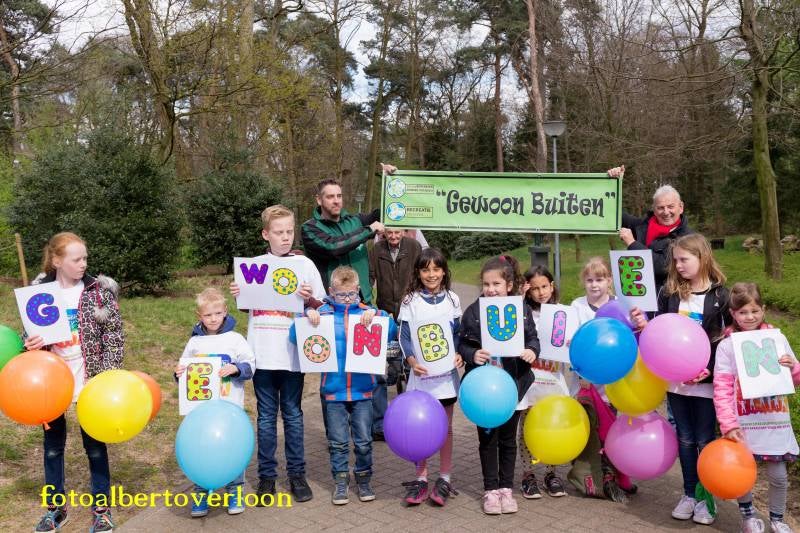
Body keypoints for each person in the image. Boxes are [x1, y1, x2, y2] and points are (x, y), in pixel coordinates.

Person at [25, 232, 123, 533]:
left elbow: (114, 337)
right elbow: (28, 337)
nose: (84, 264)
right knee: (53, 447)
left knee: (95, 446)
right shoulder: (38, 294)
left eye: (85, 258)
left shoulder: (98, 291)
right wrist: (29, 342)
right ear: (57, 261)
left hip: (90, 379)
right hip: (51, 382)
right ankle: (55, 509)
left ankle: (102, 510)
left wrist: (106, 375)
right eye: (76, 259)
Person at [631, 233, 730, 525]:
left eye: (684, 259)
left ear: (702, 258)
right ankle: (689, 494)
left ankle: (705, 497)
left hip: (706, 385)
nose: (679, 265)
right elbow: (660, 332)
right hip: (675, 384)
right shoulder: (669, 293)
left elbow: (724, 341)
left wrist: (709, 368)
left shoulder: (720, 296)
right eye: (676, 260)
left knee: (704, 440)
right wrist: (643, 325)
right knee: (685, 440)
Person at [230, 204, 326, 503]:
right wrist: (240, 294)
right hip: (262, 352)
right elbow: (248, 307)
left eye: (289, 231)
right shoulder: (254, 265)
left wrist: (309, 300)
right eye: (279, 232)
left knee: (294, 415)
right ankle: (267, 478)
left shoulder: (305, 265)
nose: (285, 237)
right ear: (265, 234)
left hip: (293, 353)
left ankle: (297, 475)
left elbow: (321, 307)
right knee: (267, 417)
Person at [292, 266, 397, 505]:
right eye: (341, 295)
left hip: (363, 391)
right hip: (334, 392)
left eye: (351, 294)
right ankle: (340, 482)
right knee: (338, 442)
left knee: (363, 441)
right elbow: (294, 335)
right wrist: (307, 315)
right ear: (331, 291)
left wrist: (378, 315)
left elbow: (391, 331)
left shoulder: (367, 312)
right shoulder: (324, 313)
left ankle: (363, 480)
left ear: (359, 291)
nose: (347, 299)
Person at [712, 282, 799, 533]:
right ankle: (748, 516)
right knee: (743, 473)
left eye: (754, 311)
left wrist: (792, 365)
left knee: (779, 476)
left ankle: (778, 519)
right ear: (733, 313)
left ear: (763, 309)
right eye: (742, 312)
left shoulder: (777, 338)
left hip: (774, 419)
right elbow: (722, 388)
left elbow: (794, 378)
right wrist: (728, 424)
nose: (749, 317)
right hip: (743, 421)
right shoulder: (728, 346)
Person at [459, 255, 539, 515]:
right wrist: (473, 355)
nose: (491, 289)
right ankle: (490, 490)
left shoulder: (521, 309)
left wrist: (531, 352)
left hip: (513, 385)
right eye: (486, 284)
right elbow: (463, 343)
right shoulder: (473, 311)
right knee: (488, 440)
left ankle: (506, 488)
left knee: (508, 441)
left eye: (496, 284)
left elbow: (533, 339)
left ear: (509, 285)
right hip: (484, 392)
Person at [175, 288, 255, 517]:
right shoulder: (195, 343)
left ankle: (235, 492)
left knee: (232, 450)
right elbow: (184, 371)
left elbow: (250, 365)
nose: (213, 319)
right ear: (199, 316)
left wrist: (237, 368)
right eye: (208, 315)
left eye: (217, 313)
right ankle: (201, 494)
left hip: (230, 409)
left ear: (225, 312)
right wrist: (178, 373)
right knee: (202, 449)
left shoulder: (235, 339)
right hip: (200, 411)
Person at [397, 248, 463, 507]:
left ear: (444, 271)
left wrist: (459, 354)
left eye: (436, 269)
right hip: (421, 380)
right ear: (418, 272)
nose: (431, 274)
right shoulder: (409, 301)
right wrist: (411, 360)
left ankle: (444, 478)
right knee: (419, 429)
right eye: (426, 269)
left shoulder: (453, 299)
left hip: (446, 380)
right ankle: (421, 478)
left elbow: (459, 333)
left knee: (445, 430)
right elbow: (403, 336)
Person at [566, 257, 632, 503]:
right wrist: (582, 375)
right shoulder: (576, 307)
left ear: (610, 281)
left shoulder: (619, 305)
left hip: (617, 382)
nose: (594, 285)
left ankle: (617, 474)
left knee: (615, 428)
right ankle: (596, 476)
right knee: (593, 430)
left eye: (600, 279)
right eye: (590, 280)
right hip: (586, 382)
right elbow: (573, 345)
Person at [516, 265, 569, 499]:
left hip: (553, 380)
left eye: (544, 286)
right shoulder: (523, 312)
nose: (541, 292)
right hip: (530, 383)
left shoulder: (562, 313)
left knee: (552, 427)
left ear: (552, 286)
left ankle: (551, 473)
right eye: (534, 288)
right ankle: (528, 475)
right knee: (527, 429)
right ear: (528, 290)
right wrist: (518, 298)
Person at [369, 227, 422, 439]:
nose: (393, 237)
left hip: (410, 311)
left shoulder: (414, 247)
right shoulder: (376, 249)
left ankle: (413, 418)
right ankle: (379, 424)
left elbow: (421, 274)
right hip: (385, 312)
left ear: (404, 232)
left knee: (412, 366)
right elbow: (370, 278)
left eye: (397, 233)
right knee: (381, 368)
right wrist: (367, 307)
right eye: (389, 233)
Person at [607, 165, 693, 293]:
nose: (666, 212)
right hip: (638, 296)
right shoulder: (643, 226)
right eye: (660, 208)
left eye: (670, 206)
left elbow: (665, 266)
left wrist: (632, 244)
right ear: (654, 209)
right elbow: (614, 213)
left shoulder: (687, 237)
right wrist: (614, 184)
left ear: (681, 207)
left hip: (668, 298)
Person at [301, 177, 384, 304]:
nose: (336, 201)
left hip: (363, 302)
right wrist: (368, 230)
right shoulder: (310, 228)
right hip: (330, 304)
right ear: (319, 200)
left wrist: (391, 180)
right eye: (330, 197)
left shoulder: (357, 221)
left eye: (339, 196)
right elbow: (333, 247)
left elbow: (388, 211)